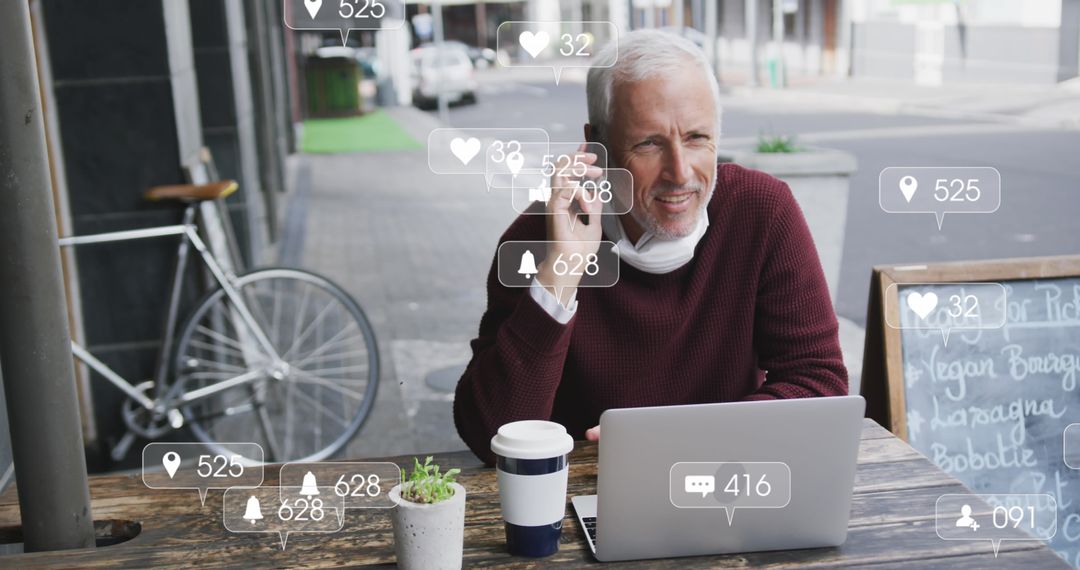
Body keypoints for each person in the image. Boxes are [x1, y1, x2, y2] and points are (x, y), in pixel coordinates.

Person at [454, 29, 848, 465]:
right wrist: (561, 273)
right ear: (597, 146)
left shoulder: (760, 211)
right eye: (649, 143)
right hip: (585, 499)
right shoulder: (534, 240)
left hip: (726, 485)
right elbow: (490, 435)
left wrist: (683, 439)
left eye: (697, 137)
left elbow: (819, 382)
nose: (680, 173)